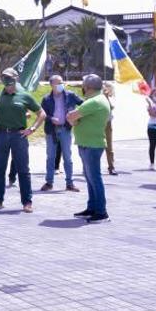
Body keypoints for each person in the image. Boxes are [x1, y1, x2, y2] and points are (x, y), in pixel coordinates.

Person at [0, 68, 46, 213]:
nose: (6, 79)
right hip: (0, 135)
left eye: (9, 77)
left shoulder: (24, 96)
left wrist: (32, 129)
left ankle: (27, 202)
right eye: (4, 77)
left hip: (18, 135)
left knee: (23, 169)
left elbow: (42, 113)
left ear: (16, 78)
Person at [67, 74, 112, 223]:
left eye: (83, 86)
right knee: (90, 178)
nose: (82, 88)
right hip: (88, 143)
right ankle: (92, 207)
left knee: (94, 178)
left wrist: (73, 120)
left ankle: (101, 212)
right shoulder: (97, 100)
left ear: (88, 87)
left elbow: (71, 116)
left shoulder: (94, 101)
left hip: (91, 145)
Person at [40, 75, 83, 192]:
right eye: (58, 83)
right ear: (51, 85)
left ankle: (70, 183)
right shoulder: (46, 99)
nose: (61, 85)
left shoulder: (71, 95)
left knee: (68, 157)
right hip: (51, 131)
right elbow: (42, 115)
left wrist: (76, 117)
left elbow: (84, 105)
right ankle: (49, 183)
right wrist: (50, 118)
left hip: (66, 129)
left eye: (62, 82)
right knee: (50, 157)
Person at [103, 82, 118, 175]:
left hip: (108, 123)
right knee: (95, 145)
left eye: (108, 88)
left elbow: (111, 107)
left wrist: (107, 97)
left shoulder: (111, 97)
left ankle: (111, 167)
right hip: (98, 122)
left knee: (109, 146)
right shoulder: (99, 96)